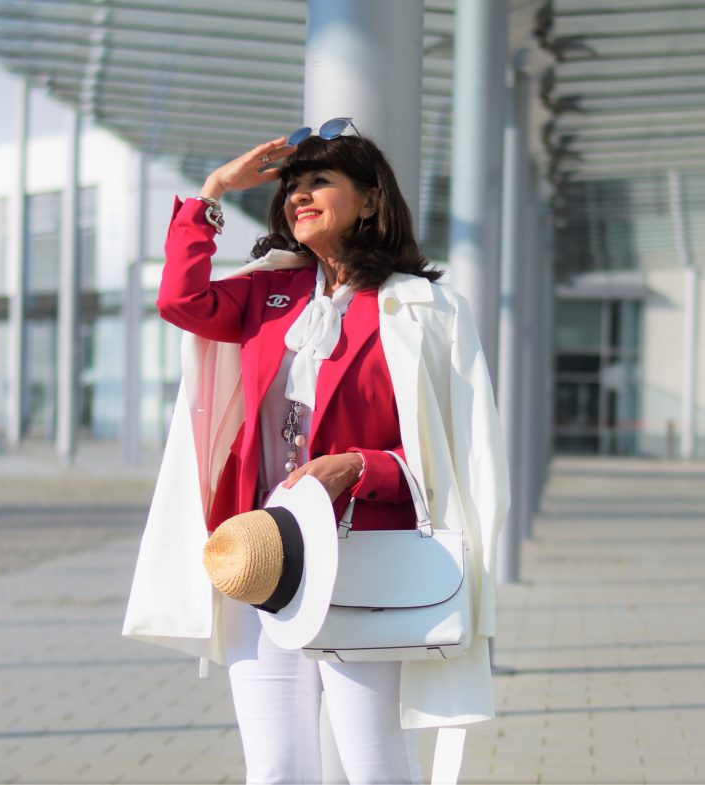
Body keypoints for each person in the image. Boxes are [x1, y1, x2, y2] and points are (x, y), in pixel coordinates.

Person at [122, 121, 509, 785]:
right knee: (275, 769)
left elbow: (458, 451)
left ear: (368, 198)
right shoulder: (264, 296)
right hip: (263, 558)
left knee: (376, 768)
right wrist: (214, 190)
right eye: (292, 186)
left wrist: (361, 464)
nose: (299, 195)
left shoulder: (425, 310)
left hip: (367, 561)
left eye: (319, 182)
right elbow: (181, 299)